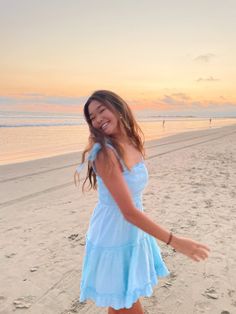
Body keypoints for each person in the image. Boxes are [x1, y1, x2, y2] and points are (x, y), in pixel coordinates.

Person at [74, 90, 210, 313]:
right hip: (114, 233)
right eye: (92, 117)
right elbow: (127, 211)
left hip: (134, 230)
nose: (97, 119)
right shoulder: (105, 154)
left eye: (101, 110)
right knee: (124, 301)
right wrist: (175, 241)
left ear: (118, 108)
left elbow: (133, 204)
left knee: (127, 300)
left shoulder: (132, 143)